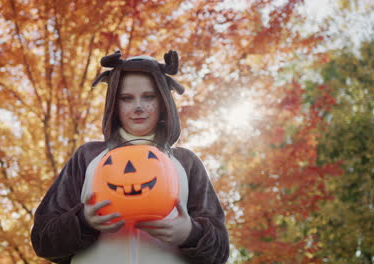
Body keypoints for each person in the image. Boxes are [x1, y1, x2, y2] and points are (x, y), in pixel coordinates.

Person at [31, 50, 229, 264]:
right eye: (127, 98)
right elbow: (42, 240)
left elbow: (220, 250)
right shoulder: (88, 157)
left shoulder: (186, 162)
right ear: (114, 105)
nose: (138, 107)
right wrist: (82, 222)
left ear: (163, 101)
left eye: (148, 97)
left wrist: (191, 233)